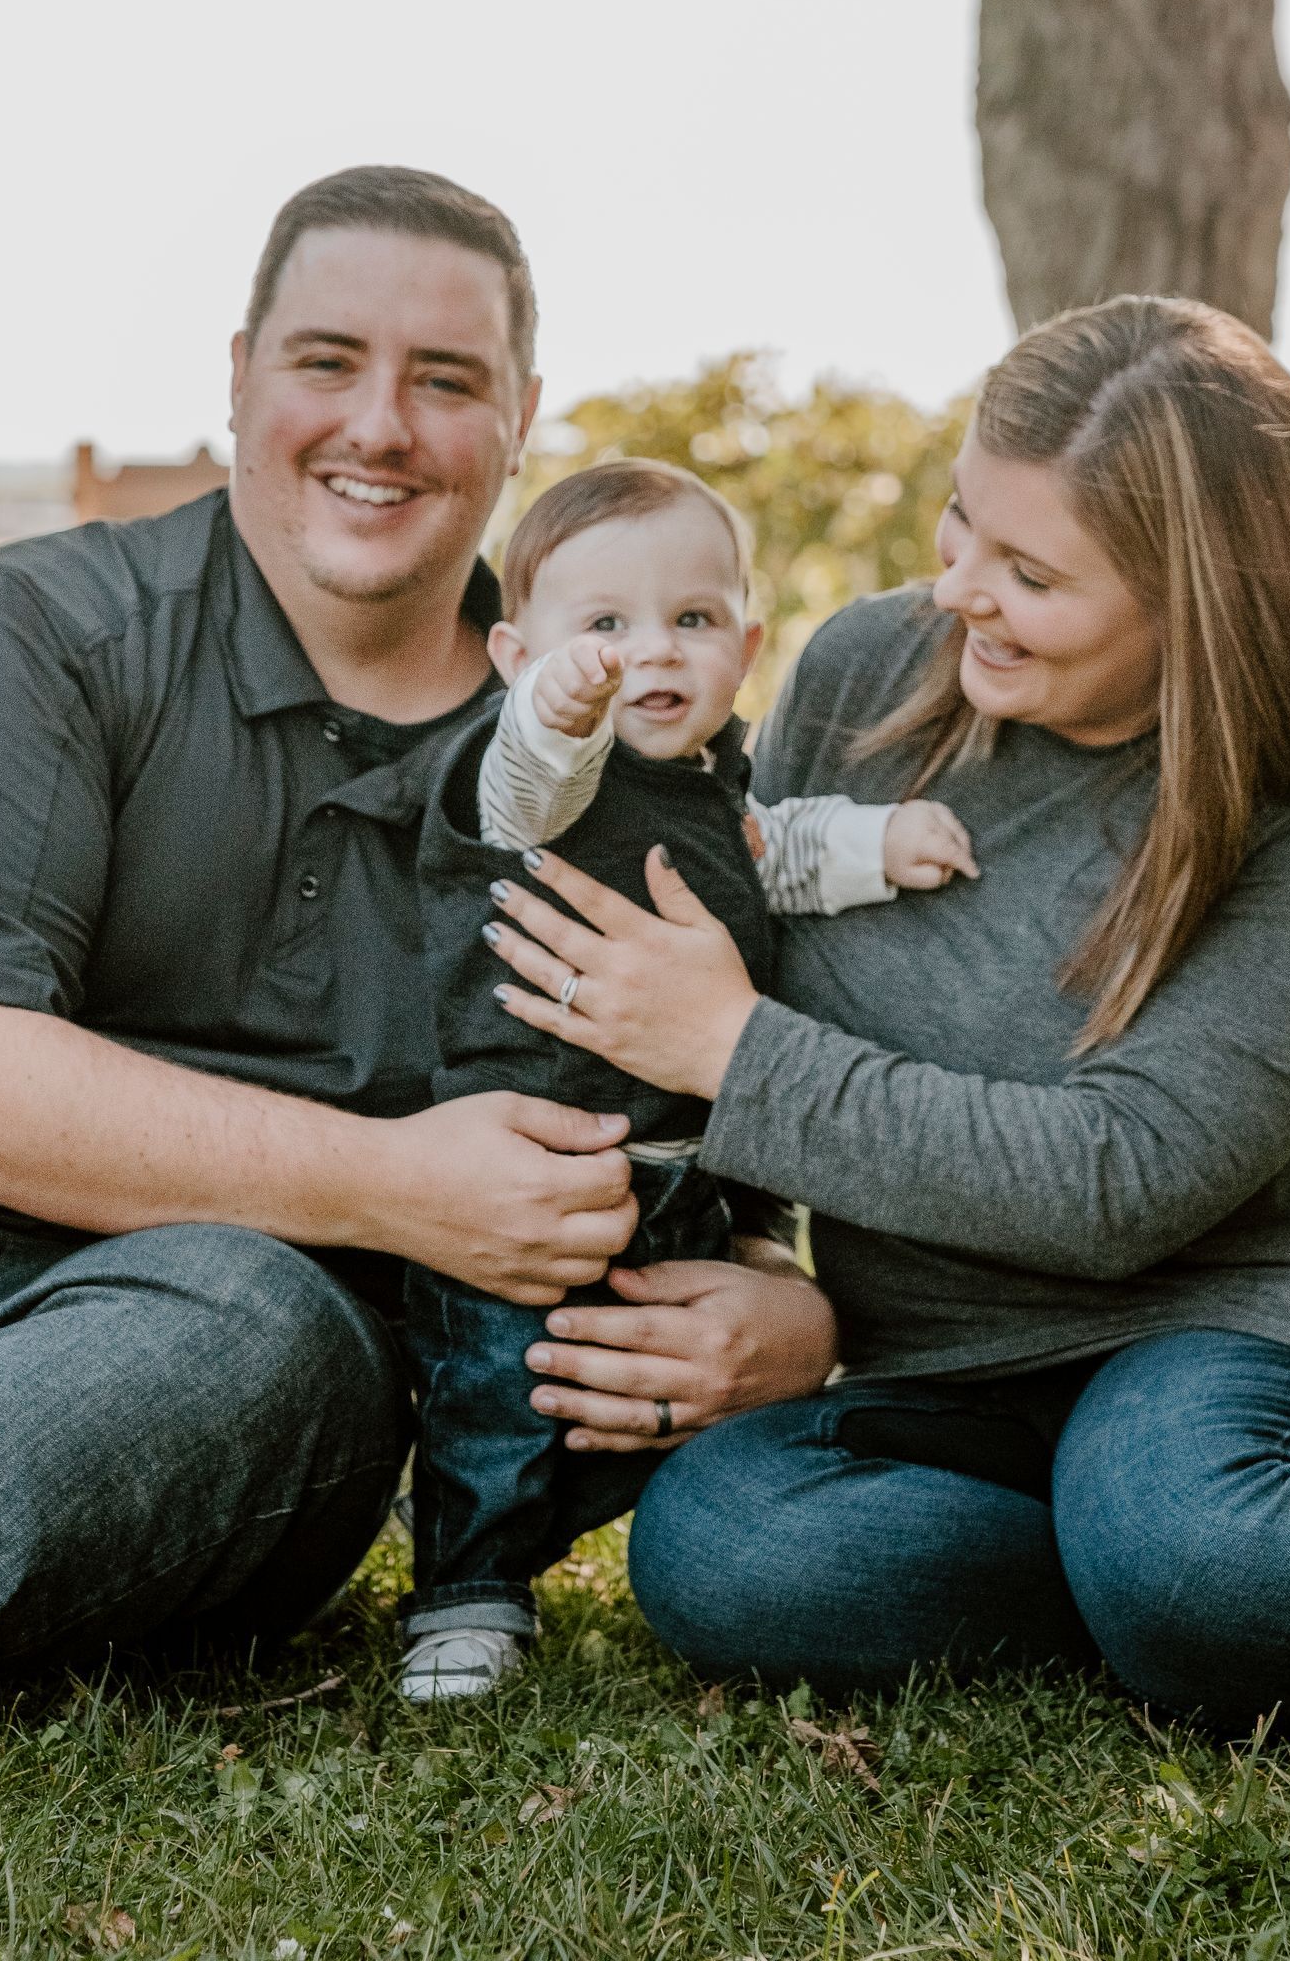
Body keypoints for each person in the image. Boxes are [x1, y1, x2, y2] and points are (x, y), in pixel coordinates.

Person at [0, 165, 837, 1748]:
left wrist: (790, 1313)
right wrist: (399, 1183)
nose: (380, 426)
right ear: (243, 374)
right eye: (328, 361)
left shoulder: (622, 753)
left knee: (245, 1336)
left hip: (218, 1356)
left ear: (522, 414)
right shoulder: (39, 633)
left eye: (445, 380)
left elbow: (698, 1092)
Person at [485, 296, 1290, 1732]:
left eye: (1031, 571)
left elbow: (1123, 1182)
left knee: (1192, 1542)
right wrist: (769, 1277)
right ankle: (1170, 1591)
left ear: (1200, 609)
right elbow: (743, 943)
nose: (960, 592)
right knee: (723, 1545)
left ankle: (1208, 1564)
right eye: (959, 526)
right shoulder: (866, 672)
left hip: (1244, 1333)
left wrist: (732, 1050)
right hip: (946, 1380)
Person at [398, 459, 973, 1701]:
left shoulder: (725, 786)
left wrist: (886, 842)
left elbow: (786, 856)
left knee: (661, 1370)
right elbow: (526, 773)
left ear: (747, 644)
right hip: (532, 1161)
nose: (647, 652)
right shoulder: (539, 780)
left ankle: (691, 1534)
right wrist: (558, 707)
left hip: (691, 1169)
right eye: (601, 626)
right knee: (500, 1380)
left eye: (692, 622)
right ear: (516, 654)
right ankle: (467, 1595)